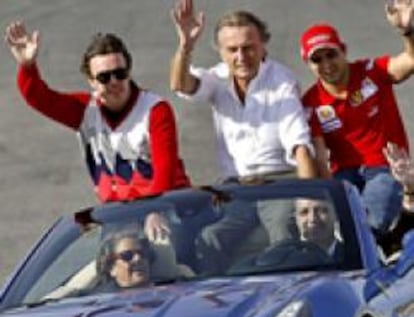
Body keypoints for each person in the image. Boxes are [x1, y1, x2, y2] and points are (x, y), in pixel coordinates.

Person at [170, 0, 317, 272]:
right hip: (235, 189)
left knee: (283, 240)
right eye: (232, 50)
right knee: (208, 239)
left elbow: (300, 146)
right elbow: (181, 84)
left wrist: (308, 197)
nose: (241, 57)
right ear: (221, 52)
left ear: (263, 46)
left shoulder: (281, 81)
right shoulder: (218, 77)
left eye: (248, 48)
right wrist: (186, 46)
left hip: (279, 183)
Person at [5, 21, 190, 203]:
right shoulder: (86, 110)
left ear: (129, 72)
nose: (114, 82)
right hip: (121, 216)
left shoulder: (155, 110)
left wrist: (154, 212)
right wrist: (27, 67)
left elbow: (164, 174)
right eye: (104, 77)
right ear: (91, 81)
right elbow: (39, 97)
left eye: (120, 73)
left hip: (171, 208)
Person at [300, 0, 414, 243]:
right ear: (308, 64)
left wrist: (407, 31)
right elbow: (320, 158)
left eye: (331, 54)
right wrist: (327, 199)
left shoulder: (373, 71)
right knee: (339, 229)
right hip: (345, 176)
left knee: (372, 222)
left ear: (344, 50)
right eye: (317, 60)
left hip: (386, 167)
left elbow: (411, 61)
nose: (327, 64)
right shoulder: (311, 102)